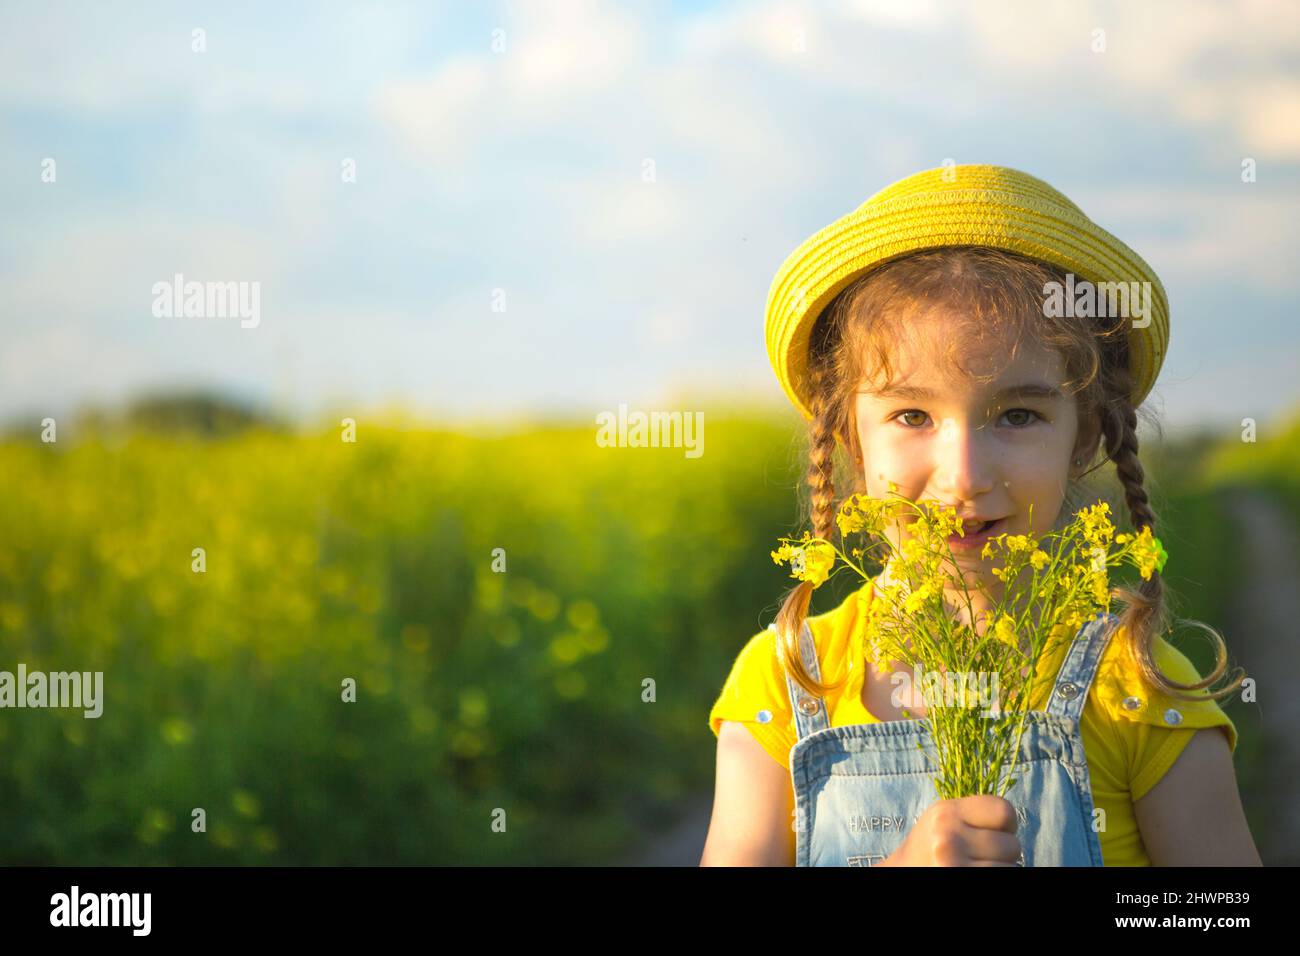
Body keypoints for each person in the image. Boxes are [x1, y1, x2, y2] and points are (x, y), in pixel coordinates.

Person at [700, 164, 1260, 867]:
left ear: (1083, 436)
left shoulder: (1136, 690)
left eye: (1018, 415)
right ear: (850, 438)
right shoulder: (787, 683)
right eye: (912, 415)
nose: (963, 476)